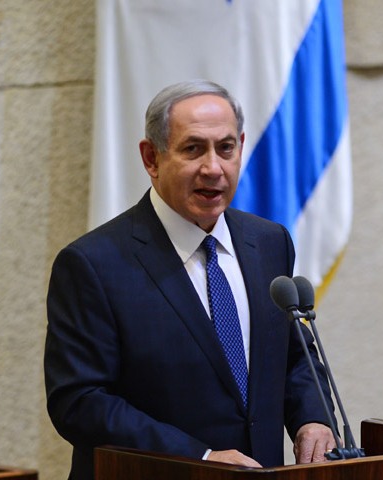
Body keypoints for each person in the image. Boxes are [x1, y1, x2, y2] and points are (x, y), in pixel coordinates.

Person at [44, 79, 336, 480]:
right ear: (152, 158)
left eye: (226, 148)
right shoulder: (93, 263)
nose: (213, 168)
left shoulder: (269, 243)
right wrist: (198, 458)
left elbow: (294, 357)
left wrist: (313, 420)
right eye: (193, 148)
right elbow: (79, 401)